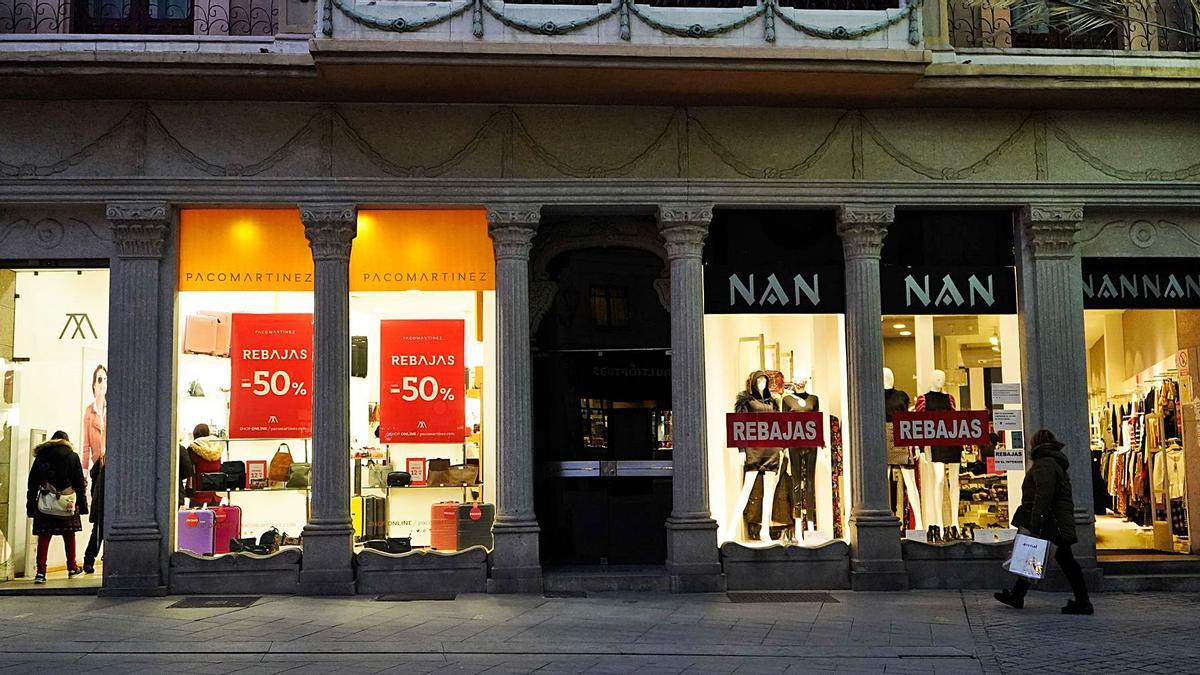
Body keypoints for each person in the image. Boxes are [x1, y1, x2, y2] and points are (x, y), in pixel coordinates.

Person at [995, 429, 1093, 615]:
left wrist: (1036, 520)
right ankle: (1018, 595)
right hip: (1055, 518)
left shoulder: (1044, 464)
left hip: (1051, 520)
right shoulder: (1052, 462)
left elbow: (1043, 494)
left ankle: (1083, 601)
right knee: (1036, 555)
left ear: (1035, 444)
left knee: (1061, 558)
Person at [26, 431, 88, 584]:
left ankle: (41, 572)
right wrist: (83, 505)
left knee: (44, 536)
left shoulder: (41, 457)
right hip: (66, 503)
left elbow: (32, 483)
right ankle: (72, 567)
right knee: (69, 535)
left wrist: (30, 506)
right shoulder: (72, 456)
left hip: (45, 504)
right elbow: (79, 483)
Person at [185, 423, 224, 507]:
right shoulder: (217, 445)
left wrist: (188, 489)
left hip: (199, 488)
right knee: (213, 515)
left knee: (197, 517)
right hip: (215, 488)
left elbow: (188, 469)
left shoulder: (193, 447)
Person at [83, 451, 105, 574]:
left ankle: (88, 561)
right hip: (107, 507)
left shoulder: (99, 468)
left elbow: (94, 491)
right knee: (99, 534)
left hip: (100, 507)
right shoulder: (109, 469)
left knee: (97, 534)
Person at [81, 365, 107, 470]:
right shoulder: (89, 412)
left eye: (105, 379)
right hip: (97, 467)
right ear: (94, 385)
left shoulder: (112, 411)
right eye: (100, 380)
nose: (103, 384)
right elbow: (86, 446)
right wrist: (84, 472)